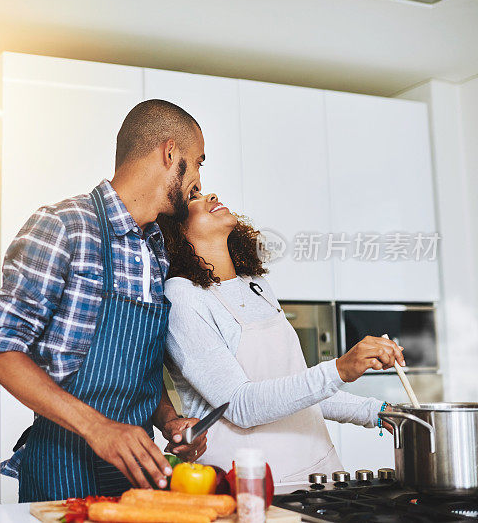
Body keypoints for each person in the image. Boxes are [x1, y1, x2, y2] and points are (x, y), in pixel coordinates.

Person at [0, 100, 210, 502]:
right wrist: (99, 429)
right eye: (198, 162)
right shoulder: (63, 225)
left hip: (137, 472)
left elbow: (139, 371)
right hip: (61, 470)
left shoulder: (155, 250)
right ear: (170, 153)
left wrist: (171, 422)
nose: (200, 183)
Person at [157, 192, 401, 483]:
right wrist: (339, 369)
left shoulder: (257, 285)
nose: (211, 195)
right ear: (175, 231)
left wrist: (381, 412)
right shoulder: (182, 296)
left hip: (318, 469)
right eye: (193, 198)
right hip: (251, 481)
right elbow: (239, 405)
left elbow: (296, 391)